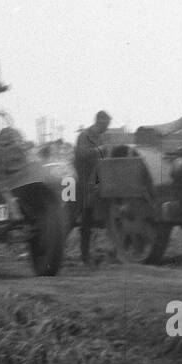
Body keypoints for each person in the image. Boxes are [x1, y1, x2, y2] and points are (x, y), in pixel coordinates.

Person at [73, 111, 111, 263]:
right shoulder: (84, 136)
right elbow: (81, 154)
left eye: (107, 126)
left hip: (93, 180)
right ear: (98, 121)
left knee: (89, 218)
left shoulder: (101, 137)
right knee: (75, 217)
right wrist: (98, 150)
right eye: (105, 125)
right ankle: (79, 255)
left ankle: (88, 255)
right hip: (79, 180)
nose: (106, 128)